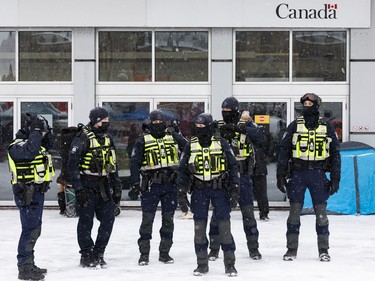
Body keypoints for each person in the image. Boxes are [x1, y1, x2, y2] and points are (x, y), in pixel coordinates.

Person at [276, 93, 341, 262]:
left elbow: (335, 154)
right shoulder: (294, 126)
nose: (306, 105)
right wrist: (280, 174)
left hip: (318, 174)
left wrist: (335, 178)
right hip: (298, 174)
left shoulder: (326, 126)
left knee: (321, 214)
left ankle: (323, 249)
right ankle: (291, 249)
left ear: (317, 105)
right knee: (294, 214)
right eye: (304, 103)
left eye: (309, 103)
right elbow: (283, 151)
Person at [177, 113, 240, 277]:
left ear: (211, 127)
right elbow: (182, 171)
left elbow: (233, 166)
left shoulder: (222, 144)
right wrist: (181, 193)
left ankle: (230, 264)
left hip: (220, 190)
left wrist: (235, 189)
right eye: (197, 127)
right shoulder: (190, 145)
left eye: (203, 127)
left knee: (224, 228)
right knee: (199, 229)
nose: (200, 130)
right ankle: (202, 264)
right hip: (199, 190)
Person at [207, 97, 265, 262]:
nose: (226, 115)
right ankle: (214, 249)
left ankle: (254, 249)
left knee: (248, 214)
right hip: (222, 177)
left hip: (242, 176)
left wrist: (242, 128)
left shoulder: (246, 125)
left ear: (236, 111)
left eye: (229, 112)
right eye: (223, 111)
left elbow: (261, 138)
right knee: (218, 215)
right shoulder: (217, 126)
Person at [128, 109, 187, 266]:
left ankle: (164, 253)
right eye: (154, 122)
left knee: (168, 221)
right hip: (151, 186)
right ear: (149, 123)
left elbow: (188, 149)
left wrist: (178, 134)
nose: (158, 125)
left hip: (170, 184)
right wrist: (134, 183)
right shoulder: (142, 141)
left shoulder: (172, 136)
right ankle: (144, 254)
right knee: (147, 221)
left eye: (160, 122)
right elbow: (134, 163)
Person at [67, 107, 122, 268]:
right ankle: (86, 254)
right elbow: (72, 165)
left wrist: (116, 185)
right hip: (86, 184)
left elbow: (113, 163)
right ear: (96, 121)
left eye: (107, 121)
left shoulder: (107, 138)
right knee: (86, 222)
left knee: (108, 220)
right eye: (104, 121)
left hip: (103, 185)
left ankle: (99, 252)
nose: (107, 124)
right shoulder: (82, 138)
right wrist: (78, 188)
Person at [8, 114, 54, 280]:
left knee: (35, 229)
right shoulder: (17, 146)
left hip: (37, 192)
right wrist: (35, 129)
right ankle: (24, 268)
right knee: (29, 230)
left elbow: (48, 146)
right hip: (26, 192)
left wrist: (46, 131)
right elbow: (31, 151)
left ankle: (29, 263)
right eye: (38, 132)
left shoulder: (35, 143)